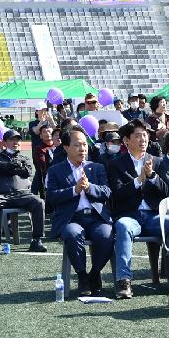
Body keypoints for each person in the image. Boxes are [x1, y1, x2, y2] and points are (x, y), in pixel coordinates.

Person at [46, 126, 113, 297]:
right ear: (66, 147)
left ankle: (95, 272)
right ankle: (82, 276)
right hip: (71, 218)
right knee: (72, 233)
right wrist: (73, 190)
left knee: (107, 234)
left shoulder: (97, 168)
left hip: (96, 217)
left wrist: (90, 188)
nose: (82, 148)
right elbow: (51, 198)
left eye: (84, 145)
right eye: (77, 145)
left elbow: (107, 192)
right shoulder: (56, 170)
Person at [107, 120, 169, 299]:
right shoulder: (116, 164)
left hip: (153, 215)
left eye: (145, 135)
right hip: (129, 215)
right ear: (126, 140)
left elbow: (167, 192)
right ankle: (124, 280)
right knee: (123, 227)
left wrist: (152, 177)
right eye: (137, 135)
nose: (143, 139)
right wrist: (138, 180)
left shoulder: (157, 161)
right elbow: (116, 194)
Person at [0, 130, 47, 253]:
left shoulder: (24, 157)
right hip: (2, 195)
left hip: (23, 194)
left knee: (39, 202)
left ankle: (37, 240)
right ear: (4, 142)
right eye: (12, 139)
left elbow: (27, 172)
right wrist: (12, 166)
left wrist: (5, 168)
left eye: (18, 139)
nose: (16, 142)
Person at [31, 125, 54, 198]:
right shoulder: (39, 149)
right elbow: (43, 165)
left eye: (49, 131)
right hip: (45, 181)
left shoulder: (59, 146)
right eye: (44, 132)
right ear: (40, 136)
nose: (47, 133)